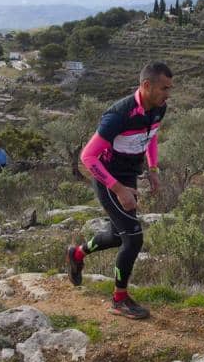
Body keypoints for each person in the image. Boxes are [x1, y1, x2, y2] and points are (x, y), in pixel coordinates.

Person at [67, 62, 172, 320]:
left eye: (170, 88)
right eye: (163, 88)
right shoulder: (118, 115)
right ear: (146, 86)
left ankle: (77, 253)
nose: (168, 94)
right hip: (107, 178)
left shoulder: (159, 108)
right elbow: (88, 157)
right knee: (133, 238)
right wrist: (118, 189)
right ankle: (119, 299)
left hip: (128, 176)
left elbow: (152, 135)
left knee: (117, 235)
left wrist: (153, 169)